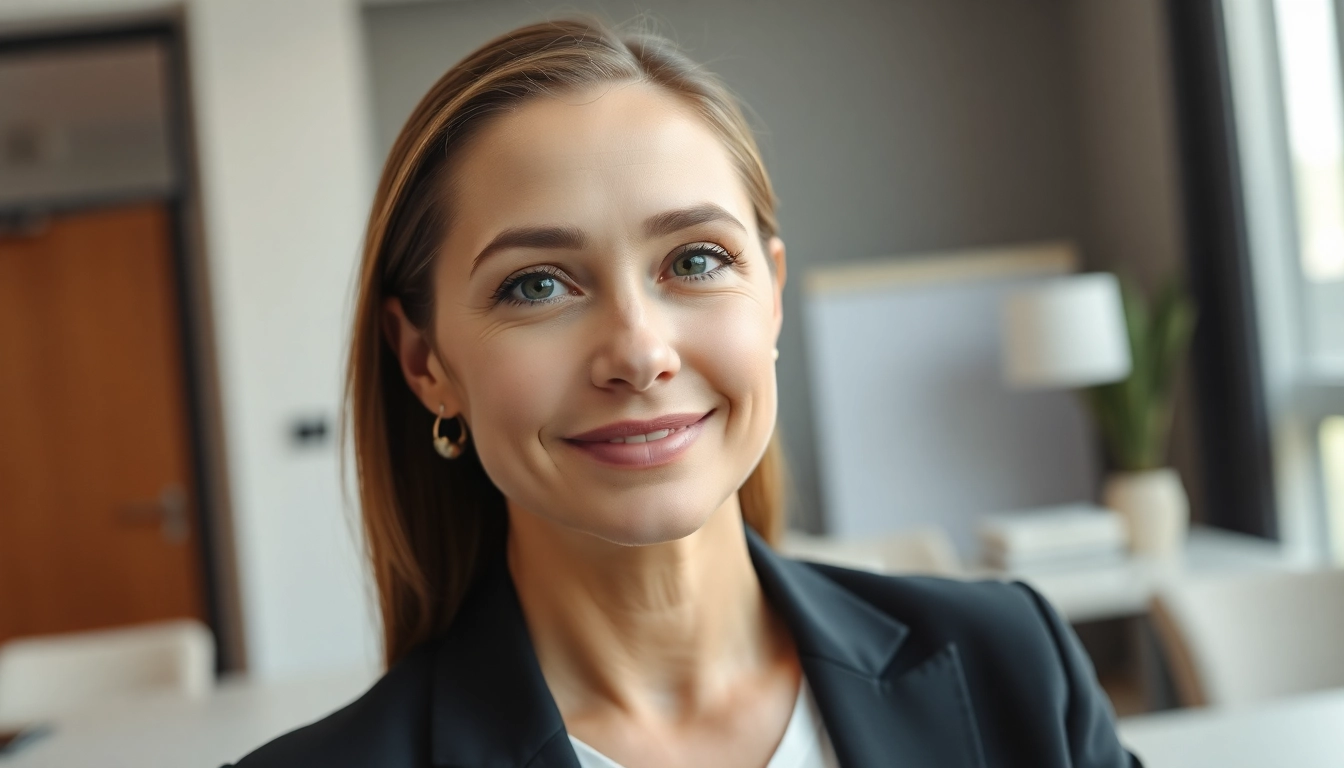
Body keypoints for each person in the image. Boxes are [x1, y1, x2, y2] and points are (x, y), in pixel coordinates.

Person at [231, 17, 1140, 768]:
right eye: (537, 284)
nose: (638, 351)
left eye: (696, 261)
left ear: (772, 296)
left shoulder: (1013, 667)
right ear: (425, 361)